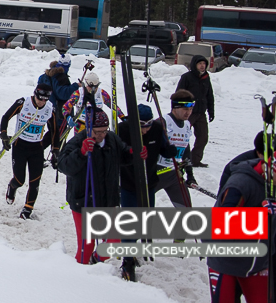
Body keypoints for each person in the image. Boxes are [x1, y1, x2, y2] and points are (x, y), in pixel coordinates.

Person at [205, 147, 276, 303]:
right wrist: (258, 213)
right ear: (275, 169)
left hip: (256, 259)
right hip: (225, 257)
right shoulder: (240, 183)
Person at [218, 131, 276, 303]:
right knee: (233, 288)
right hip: (241, 241)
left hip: (274, 235)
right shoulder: (239, 172)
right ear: (260, 154)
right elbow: (225, 214)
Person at [58, 110, 142, 264]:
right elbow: (63, 165)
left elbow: (123, 155)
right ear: (89, 129)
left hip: (108, 200)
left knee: (115, 240)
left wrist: (133, 153)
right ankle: (79, 272)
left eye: (104, 131)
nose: (101, 135)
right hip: (83, 201)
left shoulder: (112, 139)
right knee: (87, 245)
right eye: (97, 132)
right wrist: (81, 153)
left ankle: (97, 259)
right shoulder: (77, 141)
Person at [117, 103, 177, 281]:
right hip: (128, 182)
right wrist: (131, 154)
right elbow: (117, 154)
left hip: (149, 181)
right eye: (141, 126)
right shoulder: (123, 129)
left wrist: (170, 151)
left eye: (148, 126)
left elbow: (164, 149)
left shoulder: (157, 129)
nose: (145, 130)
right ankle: (127, 260)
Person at [0, 83, 56, 219]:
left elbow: (54, 130)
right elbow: (6, 117)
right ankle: (12, 187)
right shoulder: (23, 103)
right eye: (40, 98)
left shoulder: (49, 108)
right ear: (35, 94)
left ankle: (27, 209)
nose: (42, 102)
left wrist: (56, 150)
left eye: (45, 99)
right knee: (20, 180)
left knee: (35, 181)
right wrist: (4, 135)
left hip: (37, 148)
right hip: (20, 146)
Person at [153, 89, 196, 208]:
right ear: (175, 108)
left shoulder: (187, 125)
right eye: (185, 109)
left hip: (174, 174)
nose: (188, 113)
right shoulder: (163, 122)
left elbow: (186, 150)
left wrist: (190, 175)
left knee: (186, 208)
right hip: (157, 172)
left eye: (191, 109)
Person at [176, 54, 215, 167]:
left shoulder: (206, 77)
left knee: (203, 137)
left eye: (204, 64)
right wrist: (177, 112)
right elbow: (179, 94)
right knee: (182, 137)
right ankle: (180, 158)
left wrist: (211, 111)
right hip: (187, 112)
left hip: (201, 113)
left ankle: (195, 160)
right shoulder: (186, 77)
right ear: (195, 65)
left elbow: (210, 95)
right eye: (200, 64)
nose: (202, 66)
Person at [38, 54, 80, 141]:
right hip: (60, 113)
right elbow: (63, 94)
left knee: (52, 134)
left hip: (48, 109)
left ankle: (39, 150)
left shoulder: (47, 75)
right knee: (58, 138)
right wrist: (75, 86)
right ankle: (42, 151)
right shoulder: (61, 77)